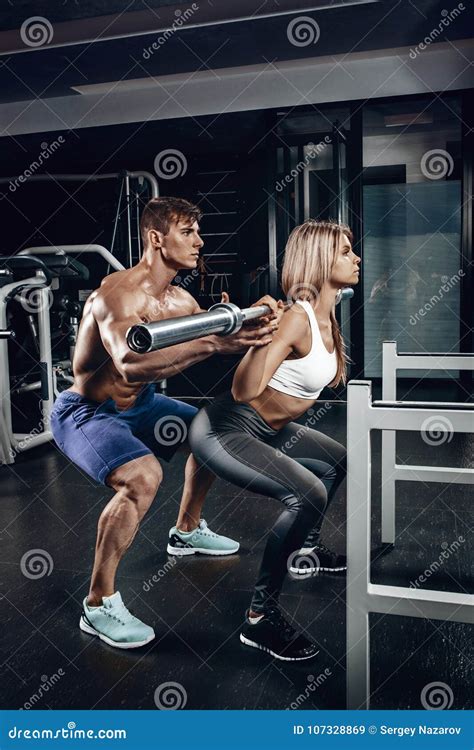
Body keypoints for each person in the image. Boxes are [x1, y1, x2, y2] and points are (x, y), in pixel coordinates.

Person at [50, 197, 278, 649]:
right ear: (157, 239)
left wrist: (246, 327)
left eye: (198, 231)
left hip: (144, 405)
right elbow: (132, 364)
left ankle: (187, 531)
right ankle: (98, 604)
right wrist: (215, 342)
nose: (200, 240)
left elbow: (205, 343)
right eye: (188, 231)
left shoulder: (181, 298)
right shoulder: (117, 293)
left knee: (211, 432)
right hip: (88, 412)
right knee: (143, 476)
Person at [188, 219, 360, 661]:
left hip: (271, 429)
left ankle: (306, 547)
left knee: (338, 461)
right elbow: (244, 391)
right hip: (226, 428)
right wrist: (261, 336)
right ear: (320, 261)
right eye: (344, 252)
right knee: (308, 493)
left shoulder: (325, 313)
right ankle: (260, 619)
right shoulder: (294, 320)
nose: (355, 258)